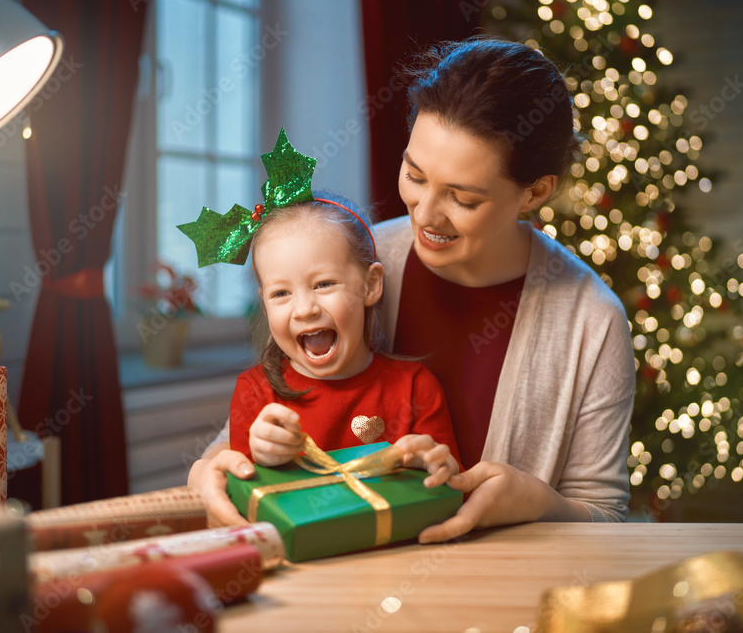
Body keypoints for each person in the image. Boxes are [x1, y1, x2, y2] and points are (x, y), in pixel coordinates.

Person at [189, 36, 635, 541]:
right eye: (414, 175)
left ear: (534, 192)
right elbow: (263, 420)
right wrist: (209, 468)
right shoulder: (351, 263)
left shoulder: (591, 320)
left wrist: (538, 503)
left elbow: (605, 516)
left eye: (463, 198)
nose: (424, 214)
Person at [229, 188, 461, 482]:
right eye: (281, 293)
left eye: (324, 284)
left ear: (370, 285)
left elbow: (454, 490)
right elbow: (240, 506)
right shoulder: (254, 393)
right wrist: (260, 459)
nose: (303, 309)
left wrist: (434, 467)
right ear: (264, 301)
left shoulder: (416, 389)